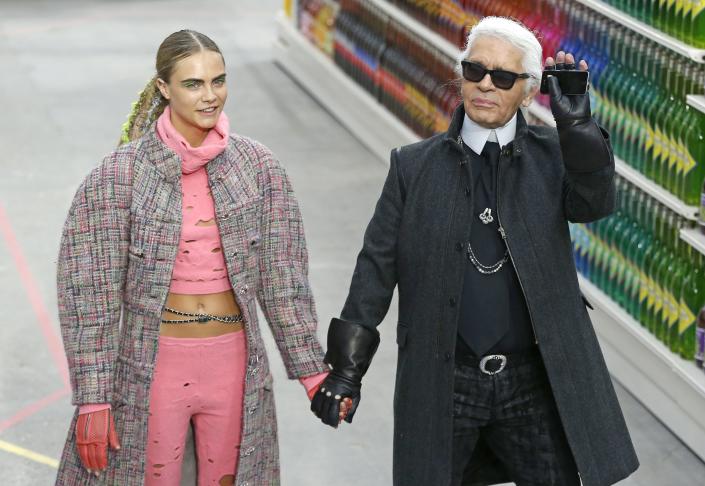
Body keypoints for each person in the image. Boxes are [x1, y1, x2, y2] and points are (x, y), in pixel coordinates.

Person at [311, 16, 639, 486]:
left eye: (503, 77)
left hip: (536, 380)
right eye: (474, 71)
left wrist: (579, 129)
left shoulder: (553, 154)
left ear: (528, 91)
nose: (486, 85)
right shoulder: (413, 166)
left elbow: (594, 204)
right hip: (444, 379)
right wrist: (346, 370)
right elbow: (376, 267)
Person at [54, 30, 337, 486]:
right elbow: (90, 294)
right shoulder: (117, 177)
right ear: (164, 87)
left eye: (219, 81)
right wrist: (93, 396)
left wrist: (312, 372)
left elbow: (283, 279)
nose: (211, 96)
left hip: (234, 365)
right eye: (194, 84)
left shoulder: (259, 168)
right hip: (154, 366)